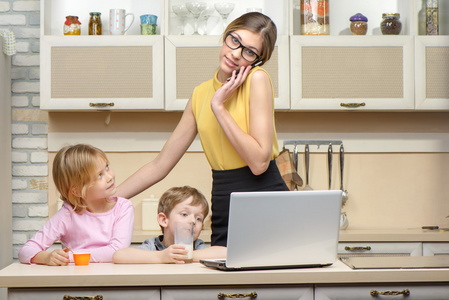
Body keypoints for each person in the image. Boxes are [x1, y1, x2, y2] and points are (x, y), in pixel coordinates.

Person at [116, 12, 288, 248]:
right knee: (225, 284)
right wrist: (106, 200)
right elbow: (160, 165)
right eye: (234, 40)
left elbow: (259, 164)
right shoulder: (200, 93)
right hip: (223, 201)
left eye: (249, 51)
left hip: (264, 200)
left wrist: (219, 107)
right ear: (226, 35)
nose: (236, 53)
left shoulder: (257, 80)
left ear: (258, 60)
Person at [18, 144, 134, 265]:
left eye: (107, 167)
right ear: (77, 191)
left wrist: (69, 257)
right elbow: (25, 251)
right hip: (77, 281)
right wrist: (46, 257)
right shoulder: (67, 214)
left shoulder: (123, 208)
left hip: (113, 280)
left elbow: (117, 252)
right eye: (99, 175)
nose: (110, 177)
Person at [113, 186, 220, 264]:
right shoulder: (153, 246)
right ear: (164, 220)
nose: (193, 221)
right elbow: (119, 255)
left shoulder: (197, 246)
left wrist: (188, 255)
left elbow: (225, 253)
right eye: (184, 214)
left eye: (198, 218)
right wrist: (161, 257)